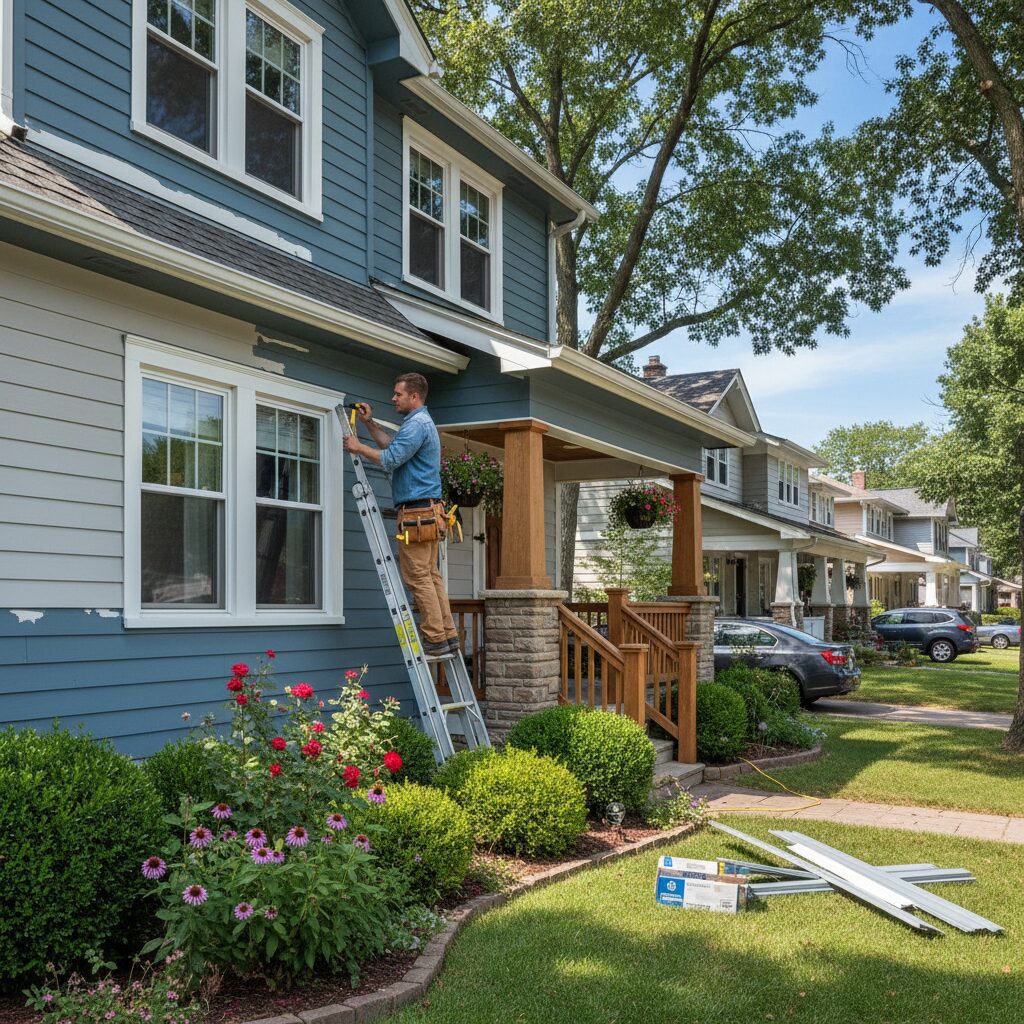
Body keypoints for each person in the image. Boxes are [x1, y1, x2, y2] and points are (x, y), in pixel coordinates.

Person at [343, 372, 458, 658]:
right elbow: (391, 447)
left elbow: (390, 459)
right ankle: (447, 634)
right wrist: (369, 423)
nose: (393, 398)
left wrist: (358, 447)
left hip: (418, 512)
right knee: (430, 576)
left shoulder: (417, 424)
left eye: (398, 394)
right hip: (428, 511)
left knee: (418, 577)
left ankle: (433, 639)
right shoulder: (418, 424)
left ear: (414, 396)